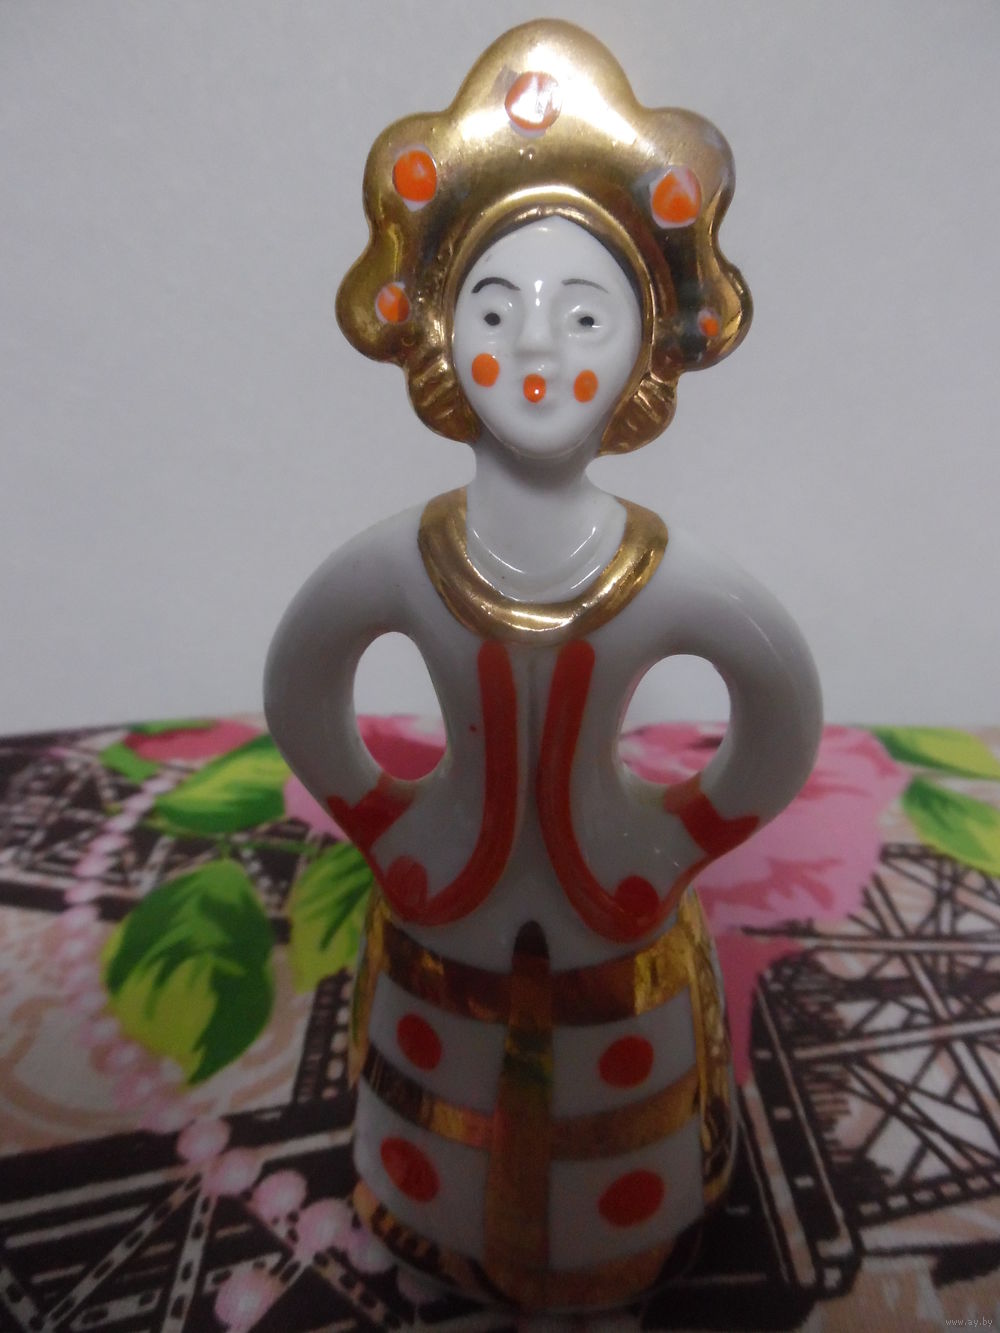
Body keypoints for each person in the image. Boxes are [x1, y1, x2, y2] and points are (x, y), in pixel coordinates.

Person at [265, 20, 821, 1310]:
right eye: (495, 309)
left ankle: (633, 1227)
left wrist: (683, 837)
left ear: (645, 348)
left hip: (615, 912)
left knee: (618, 1122)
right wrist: (378, 819)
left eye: (584, 314)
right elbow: (302, 681)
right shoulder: (404, 560)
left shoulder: (667, 573)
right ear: (436, 330)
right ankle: (421, 1214)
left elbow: (781, 704)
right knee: (436, 1096)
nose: (538, 348)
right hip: (443, 902)